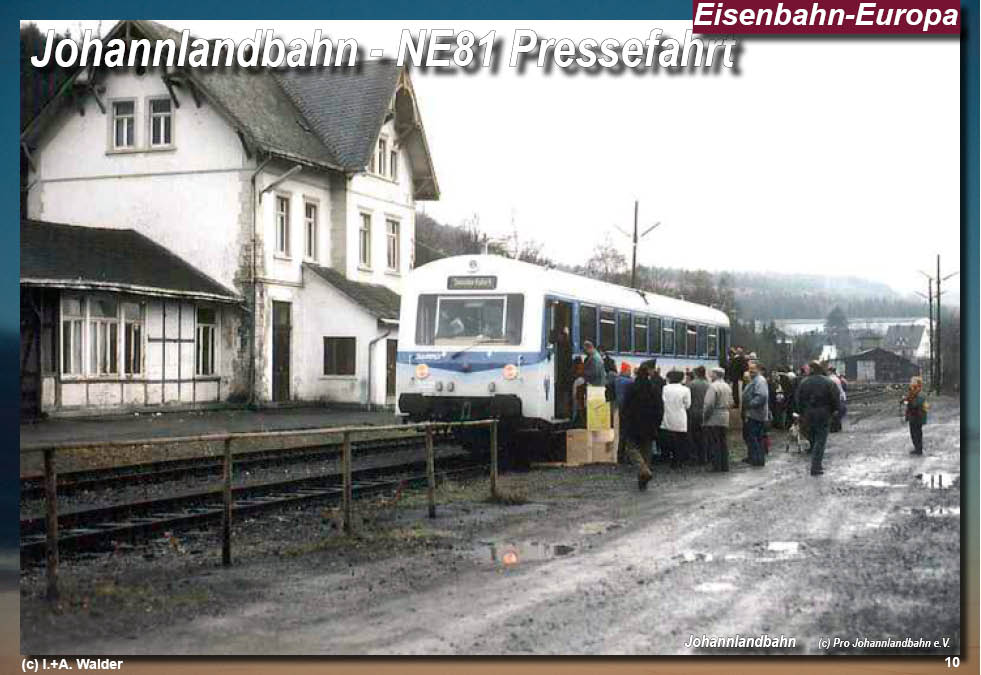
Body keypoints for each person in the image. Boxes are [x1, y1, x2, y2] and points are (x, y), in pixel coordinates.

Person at [796, 360, 840, 476]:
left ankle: (815, 462)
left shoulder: (803, 382)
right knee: (820, 440)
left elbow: (798, 400)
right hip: (824, 414)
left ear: (811, 369)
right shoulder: (828, 382)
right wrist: (834, 410)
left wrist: (801, 413)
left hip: (808, 414)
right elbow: (835, 398)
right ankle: (816, 467)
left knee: (813, 438)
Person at [621, 363, 659, 490]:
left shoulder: (631, 387)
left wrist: (624, 422)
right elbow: (660, 408)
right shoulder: (653, 388)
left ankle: (643, 470)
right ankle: (643, 482)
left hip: (633, 425)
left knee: (631, 448)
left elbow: (624, 406)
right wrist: (657, 424)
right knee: (646, 452)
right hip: (649, 425)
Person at [703, 367, 733, 471]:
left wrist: (705, 417)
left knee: (714, 442)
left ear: (716, 374)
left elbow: (709, 404)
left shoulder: (713, 387)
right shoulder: (727, 386)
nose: (711, 375)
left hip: (714, 416)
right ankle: (725, 465)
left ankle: (716, 465)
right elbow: (731, 402)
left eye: (712, 373)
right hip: (725, 415)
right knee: (723, 441)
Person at [661, 370, 691, 468]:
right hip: (681, 418)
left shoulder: (664, 388)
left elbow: (662, 401)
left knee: (669, 440)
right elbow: (688, 405)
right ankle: (678, 461)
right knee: (680, 440)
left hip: (667, 417)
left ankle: (669, 458)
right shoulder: (685, 389)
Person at [742, 362, 770, 466]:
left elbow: (762, 396)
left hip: (757, 415)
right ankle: (755, 457)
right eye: (750, 369)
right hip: (754, 414)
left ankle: (758, 459)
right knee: (753, 437)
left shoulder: (760, 381)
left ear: (758, 369)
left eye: (753, 369)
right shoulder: (755, 380)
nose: (751, 371)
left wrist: (750, 404)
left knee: (756, 437)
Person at [687, 366, 710, 464]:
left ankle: (694, 457)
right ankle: (703, 457)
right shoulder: (708, 385)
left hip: (693, 413)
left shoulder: (691, 384)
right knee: (704, 436)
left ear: (696, 373)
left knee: (692, 436)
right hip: (704, 413)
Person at [903, 376, 928, 455]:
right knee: (913, 433)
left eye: (913, 382)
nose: (912, 384)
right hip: (913, 415)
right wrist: (905, 400)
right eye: (912, 382)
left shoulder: (920, 393)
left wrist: (909, 401)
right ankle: (917, 448)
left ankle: (918, 449)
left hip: (918, 415)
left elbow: (917, 403)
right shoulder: (912, 392)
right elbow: (910, 400)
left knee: (917, 433)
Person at [571, 358, 586, 427]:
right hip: (580, 406)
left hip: (578, 406)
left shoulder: (579, 381)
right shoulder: (579, 380)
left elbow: (578, 397)